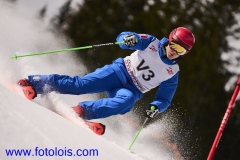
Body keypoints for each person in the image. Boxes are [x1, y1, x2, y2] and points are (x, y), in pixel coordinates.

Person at [18, 27, 195, 121]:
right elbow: (125, 38)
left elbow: (164, 98)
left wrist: (157, 107)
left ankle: (81, 111)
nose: (175, 51)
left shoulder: (172, 73)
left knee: (126, 103)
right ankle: (34, 83)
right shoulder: (151, 43)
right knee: (81, 85)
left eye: (181, 50)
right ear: (169, 40)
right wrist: (127, 39)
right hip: (118, 71)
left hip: (133, 89)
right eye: (174, 45)